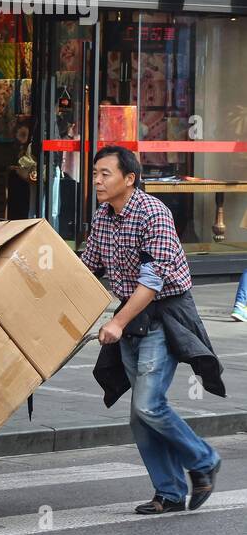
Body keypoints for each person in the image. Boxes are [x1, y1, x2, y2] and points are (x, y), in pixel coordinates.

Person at [82, 146, 224, 515]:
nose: (97, 180)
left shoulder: (153, 213)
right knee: (140, 414)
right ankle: (172, 492)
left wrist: (116, 322)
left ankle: (204, 459)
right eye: (95, 173)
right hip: (132, 318)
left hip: (163, 316)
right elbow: (88, 267)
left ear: (129, 178)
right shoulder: (103, 216)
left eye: (105, 173)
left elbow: (152, 279)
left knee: (148, 404)